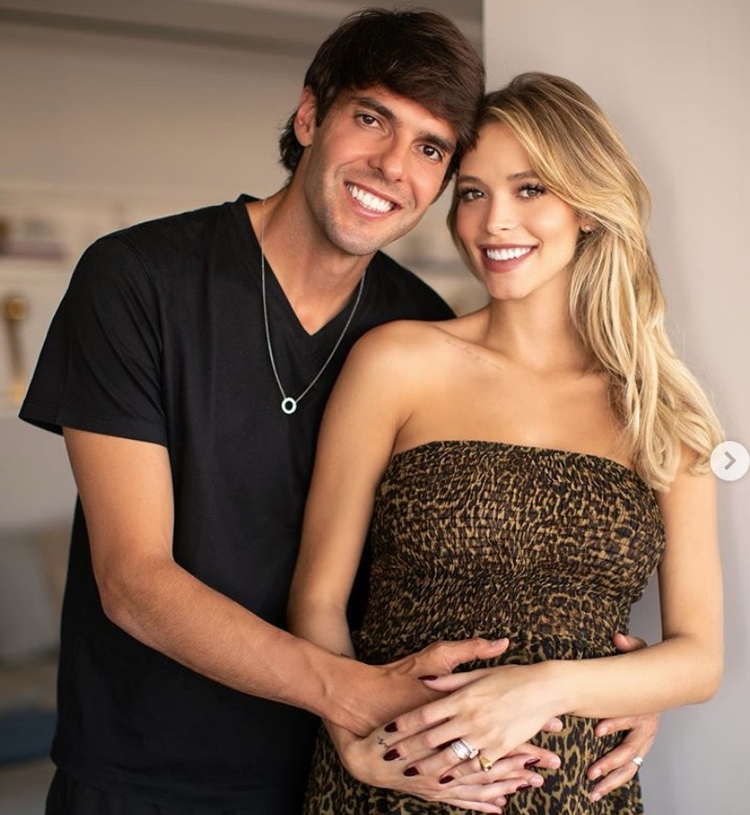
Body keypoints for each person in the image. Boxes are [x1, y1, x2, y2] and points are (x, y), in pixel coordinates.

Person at [19, 7, 654, 809]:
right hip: (147, 769)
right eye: (370, 118)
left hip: (354, 773)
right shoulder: (137, 280)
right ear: (310, 114)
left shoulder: (417, 327)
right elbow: (134, 580)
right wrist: (352, 699)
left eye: (429, 147)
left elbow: (487, 556)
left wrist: (613, 688)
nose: (393, 165)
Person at [287, 72, 724, 815]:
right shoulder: (396, 362)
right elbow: (317, 599)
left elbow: (699, 657)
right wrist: (355, 731)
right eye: (472, 192)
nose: (493, 223)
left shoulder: (657, 406)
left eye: (529, 190)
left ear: (586, 205)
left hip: (576, 796)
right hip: (398, 780)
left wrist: (546, 684)